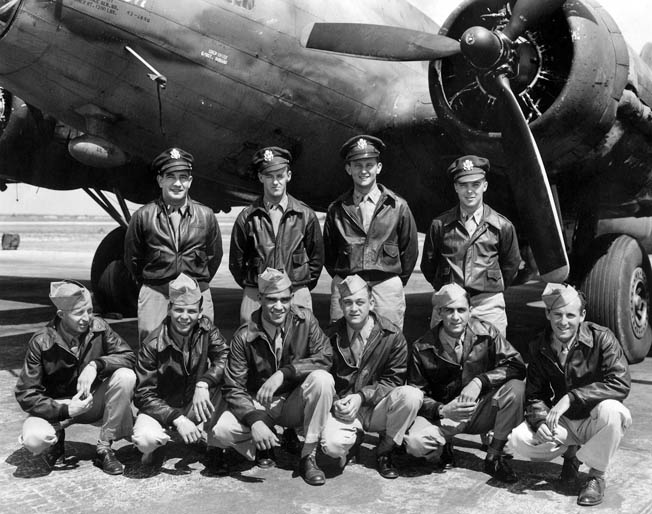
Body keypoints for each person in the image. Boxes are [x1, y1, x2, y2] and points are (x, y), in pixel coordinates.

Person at [509, 283, 632, 506]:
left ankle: (596, 475)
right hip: (563, 423)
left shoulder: (602, 338)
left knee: (616, 412)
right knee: (519, 440)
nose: (563, 322)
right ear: (547, 313)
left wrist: (572, 397)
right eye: (557, 314)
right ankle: (571, 453)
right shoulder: (539, 346)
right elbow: (535, 395)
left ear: (582, 315)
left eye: (570, 315)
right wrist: (539, 423)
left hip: (595, 419)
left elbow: (620, 383)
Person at [212, 268, 334, 486]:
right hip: (261, 405)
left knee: (323, 380)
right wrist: (255, 421)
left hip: (294, 401)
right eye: (272, 300)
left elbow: (325, 357)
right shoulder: (243, 336)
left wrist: (284, 373)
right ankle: (262, 444)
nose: (280, 306)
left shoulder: (306, 320)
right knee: (222, 431)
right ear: (260, 299)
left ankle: (308, 456)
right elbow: (234, 387)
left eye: (285, 299)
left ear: (292, 298)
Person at [404, 283, 526, 483]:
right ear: (439, 312)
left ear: (470, 311)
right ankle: (444, 446)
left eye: (461, 310)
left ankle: (494, 456)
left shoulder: (487, 333)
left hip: (479, 410)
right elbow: (416, 393)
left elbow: (516, 365)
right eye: (449, 311)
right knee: (415, 445)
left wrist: (480, 381)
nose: (455, 317)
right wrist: (442, 410)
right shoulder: (422, 347)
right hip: (444, 415)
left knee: (516, 389)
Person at [15, 281, 136, 475]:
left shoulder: (100, 328)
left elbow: (128, 357)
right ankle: (55, 443)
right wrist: (64, 409)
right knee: (34, 439)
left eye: (89, 310)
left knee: (126, 376)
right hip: (57, 408)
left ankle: (104, 447)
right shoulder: (41, 341)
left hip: (91, 403)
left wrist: (96, 364)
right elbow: (26, 393)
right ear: (61, 315)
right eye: (79, 313)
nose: (86, 318)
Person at [321, 275, 422, 479]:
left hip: (379, 407)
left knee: (411, 396)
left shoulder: (392, 336)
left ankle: (385, 450)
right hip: (346, 409)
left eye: (360, 302)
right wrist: (336, 402)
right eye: (348, 303)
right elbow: (325, 376)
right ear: (340, 304)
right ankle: (353, 440)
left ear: (372, 302)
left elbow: (394, 380)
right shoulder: (331, 335)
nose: (354, 309)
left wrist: (362, 397)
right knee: (332, 447)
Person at [132, 273, 229, 473]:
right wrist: (178, 419)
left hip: (194, 403)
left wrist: (204, 382)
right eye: (179, 310)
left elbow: (225, 357)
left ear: (200, 312)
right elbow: (143, 395)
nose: (185, 317)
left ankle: (214, 447)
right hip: (161, 409)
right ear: (169, 309)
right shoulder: (152, 343)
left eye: (191, 311)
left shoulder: (206, 330)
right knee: (146, 440)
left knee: (227, 379)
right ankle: (157, 447)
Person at [124, 147, 223, 342]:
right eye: (171, 176)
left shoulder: (206, 216)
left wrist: (195, 284)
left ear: (190, 181)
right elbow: (132, 259)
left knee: (200, 348)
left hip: (196, 293)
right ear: (160, 180)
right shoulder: (143, 216)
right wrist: (155, 281)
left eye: (183, 177)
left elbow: (214, 257)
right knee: (151, 349)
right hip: (156, 292)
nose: (178, 183)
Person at [323, 135, 418, 330]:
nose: (364, 170)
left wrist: (392, 281)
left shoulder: (398, 206)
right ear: (348, 169)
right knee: (343, 342)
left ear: (379, 168)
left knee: (388, 342)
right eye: (357, 165)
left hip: (386, 285)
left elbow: (409, 251)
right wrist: (347, 276)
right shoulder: (337, 209)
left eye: (369, 164)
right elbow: (328, 253)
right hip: (348, 284)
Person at [420, 155, 520, 335]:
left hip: (487, 305)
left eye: (475, 184)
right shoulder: (440, 225)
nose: (470, 191)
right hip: (450, 303)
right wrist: (447, 288)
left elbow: (510, 266)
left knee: (492, 355)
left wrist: (489, 288)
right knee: (443, 356)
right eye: (464, 185)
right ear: (456, 188)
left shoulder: (502, 226)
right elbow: (429, 265)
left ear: (485, 186)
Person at [229, 146, 324, 323]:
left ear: (288, 176)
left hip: (295, 289)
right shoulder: (247, 217)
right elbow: (237, 262)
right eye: (269, 176)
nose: (275, 182)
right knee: (251, 341)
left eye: (280, 176)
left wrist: (299, 283)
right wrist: (254, 284)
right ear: (260, 177)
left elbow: (316, 259)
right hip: (257, 292)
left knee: (300, 340)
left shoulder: (305, 215)